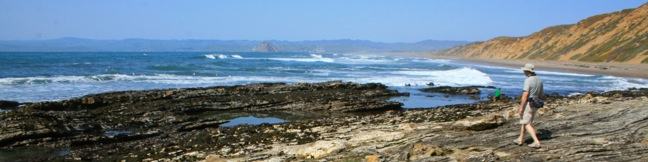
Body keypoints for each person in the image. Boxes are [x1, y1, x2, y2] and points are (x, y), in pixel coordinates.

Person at [514, 63, 544, 148]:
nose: (523, 72)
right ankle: (520, 139)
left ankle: (536, 142)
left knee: (527, 123)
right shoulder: (539, 80)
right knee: (525, 121)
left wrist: (521, 108)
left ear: (527, 71)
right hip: (536, 103)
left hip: (529, 104)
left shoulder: (528, 80)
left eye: (524, 70)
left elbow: (525, 95)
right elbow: (542, 95)